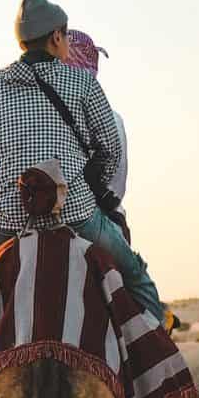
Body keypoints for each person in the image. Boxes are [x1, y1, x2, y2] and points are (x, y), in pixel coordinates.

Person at [0, 0, 164, 322]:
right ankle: (158, 364)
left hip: (7, 218)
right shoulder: (82, 82)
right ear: (55, 37)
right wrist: (87, 184)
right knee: (137, 277)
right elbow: (110, 149)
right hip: (75, 211)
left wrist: (12, 187)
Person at [64, 30, 132, 243]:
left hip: (52, 216)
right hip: (105, 218)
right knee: (135, 275)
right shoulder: (113, 118)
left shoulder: (41, 116)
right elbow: (117, 182)